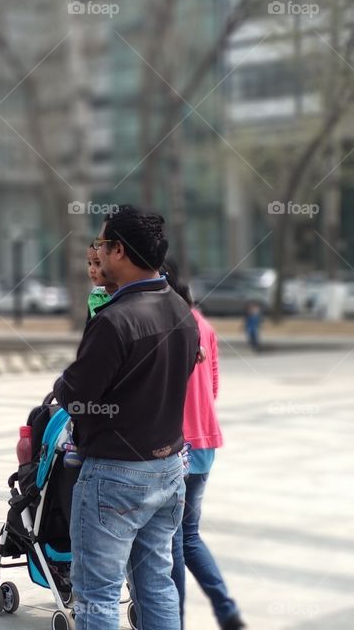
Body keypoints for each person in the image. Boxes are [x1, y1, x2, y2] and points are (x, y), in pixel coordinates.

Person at [53, 206, 199, 630]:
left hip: (116, 474)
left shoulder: (116, 320)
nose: (97, 252)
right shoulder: (181, 309)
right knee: (156, 583)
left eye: (100, 244)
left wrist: (63, 384)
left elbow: (76, 397)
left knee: (97, 595)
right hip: (170, 465)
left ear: (118, 250)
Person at [163, 260, 245, 630]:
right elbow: (213, 387)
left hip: (176, 446)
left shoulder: (165, 324)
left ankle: (173, 621)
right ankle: (227, 610)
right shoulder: (203, 324)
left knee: (174, 542)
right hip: (206, 443)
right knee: (189, 536)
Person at [86, 244, 118, 322]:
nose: (91, 270)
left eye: (98, 263)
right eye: (89, 263)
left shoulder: (127, 294)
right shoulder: (95, 295)